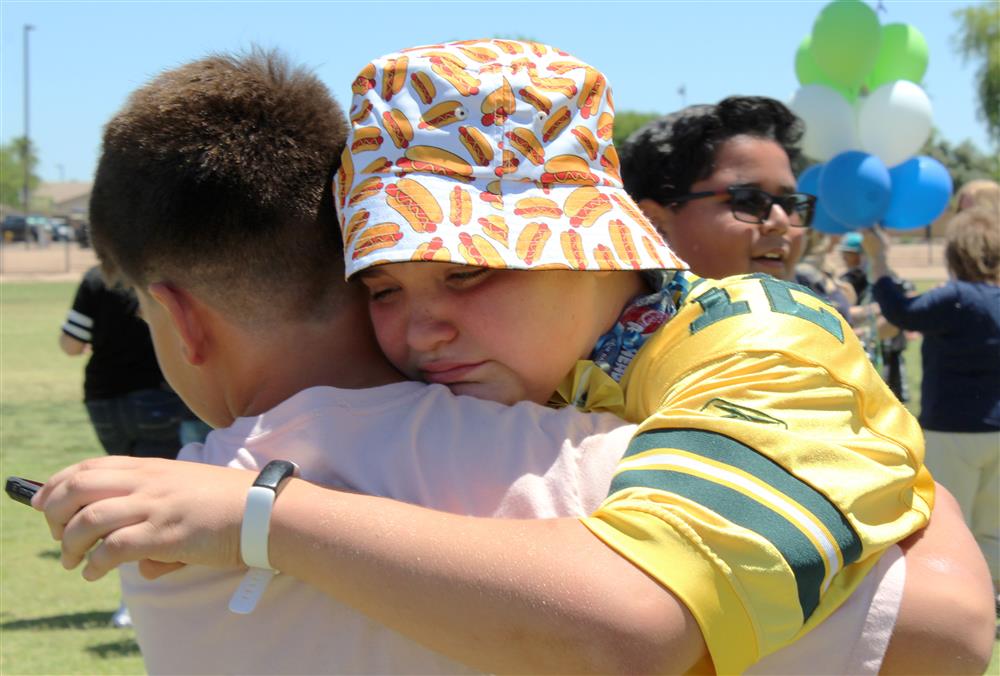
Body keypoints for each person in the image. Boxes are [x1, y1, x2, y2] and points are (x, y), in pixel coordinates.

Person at [33, 46, 993, 675]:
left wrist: (264, 518)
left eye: (468, 273)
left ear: (600, 251)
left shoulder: (758, 346)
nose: (419, 333)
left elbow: (634, 621)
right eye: (384, 289)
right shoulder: (551, 367)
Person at [863, 211, 1000, 599]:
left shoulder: (956, 297)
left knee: (947, 524)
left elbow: (902, 312)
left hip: (952, 429)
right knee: (993, 526)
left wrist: (880, 263)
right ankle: (990, 600)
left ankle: (954, 601)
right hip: (996, 431)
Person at [59, 264, 188, 628]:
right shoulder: (161, 271)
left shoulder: (95, 278)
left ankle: (132, 598)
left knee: (124, 497)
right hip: (157, 400)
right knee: (151, 503)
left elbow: (70, 344)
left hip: (102, 401)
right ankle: (136, 601)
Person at [838, 232, 912, 402]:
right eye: (845, 255)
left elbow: (897, 317)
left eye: (850, 256)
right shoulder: (847, 281)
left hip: (889, 354)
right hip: (858, 356)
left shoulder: (889, 281)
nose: (846, 260)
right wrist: (874, 311)